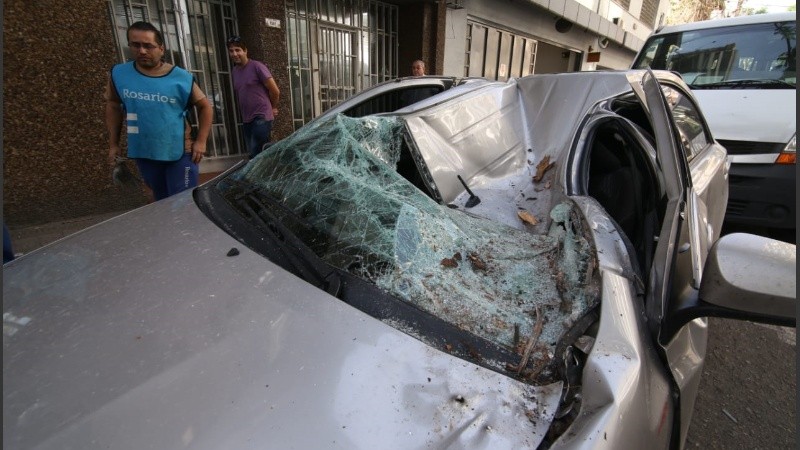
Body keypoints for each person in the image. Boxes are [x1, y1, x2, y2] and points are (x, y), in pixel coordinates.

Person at [105, 21, 212, 201]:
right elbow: (113, 106)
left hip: (181, 152)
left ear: (161, 49)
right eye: (135, 45)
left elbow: (205, 107)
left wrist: (201, 142)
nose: (142, 51)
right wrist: (113, 144)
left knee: (183, 203)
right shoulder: (120, 75)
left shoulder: (181, 77)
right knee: (161, 204)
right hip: (145, 152)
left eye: (148, 46)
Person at [227, 36, 281, 159]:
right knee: (258, 152)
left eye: (238, 50)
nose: (234, 54)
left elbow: (275, 91)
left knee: (255, 151)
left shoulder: (257, 66)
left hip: (261, 115)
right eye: (231, 51)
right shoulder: (235, 71)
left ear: (245, 51)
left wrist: (273, 107)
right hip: (247, 118)